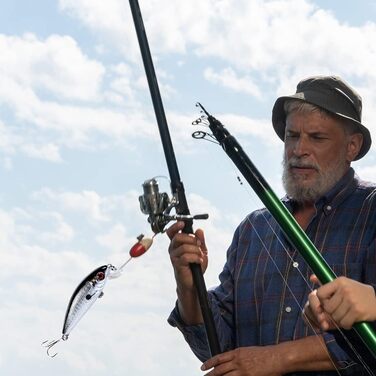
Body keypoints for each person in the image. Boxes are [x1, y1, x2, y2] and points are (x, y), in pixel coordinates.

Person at [167, 75, 376, 375]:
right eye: (292, 136)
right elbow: (218, 350)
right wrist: (188, 286)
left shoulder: (371, 211)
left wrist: (277, 358)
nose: (298, 149)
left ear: (351, 146)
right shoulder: (252, 229)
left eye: (316, 137)